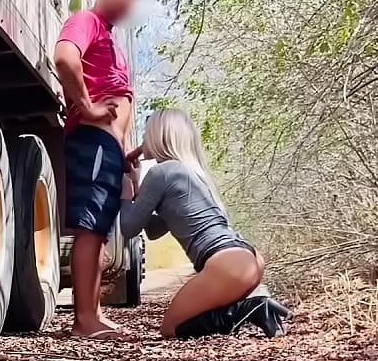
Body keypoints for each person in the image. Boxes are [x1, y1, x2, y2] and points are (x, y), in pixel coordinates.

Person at [120, 108, 291, 339]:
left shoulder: (162, 172)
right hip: (246, 258)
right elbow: (152, 230)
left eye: (147, 133)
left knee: (171, 329)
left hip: (227, 264)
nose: (142, 141)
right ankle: (254, 308)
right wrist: (137, 188)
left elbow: (129, 228)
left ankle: (252, 308)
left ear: (160, 136)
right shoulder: (192, 173)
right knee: (190, 321)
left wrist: (124, 193)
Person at [54, 0, 143, 340]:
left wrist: (124, 154)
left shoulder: (111, 41)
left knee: (101, 231)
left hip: (107, 148)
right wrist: (89, 108)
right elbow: (64, 58)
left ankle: (94, 314)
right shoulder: (85, 20)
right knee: (90, 229)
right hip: (90, 141)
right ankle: (84, 320)